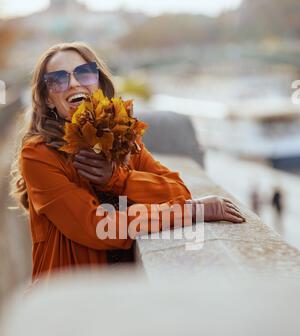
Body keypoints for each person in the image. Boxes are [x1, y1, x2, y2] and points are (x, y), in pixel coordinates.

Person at [10, 42, 245, 282]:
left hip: (128, 290)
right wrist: (192, 212)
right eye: (58, 79)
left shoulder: (122, 136)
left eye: (84, 73)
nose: (73, 83)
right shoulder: (38, 154)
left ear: (99, 83)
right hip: (73, 300)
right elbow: (97, 228)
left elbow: (178, 191)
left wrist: (117, 180)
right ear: (48, 99)